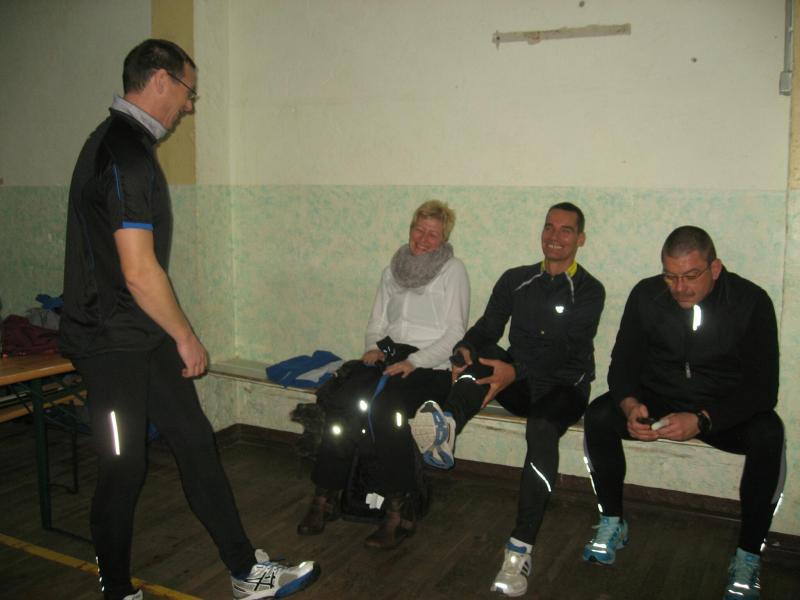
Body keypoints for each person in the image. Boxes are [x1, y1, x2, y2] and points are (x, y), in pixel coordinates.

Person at [59, 39, 318, 600]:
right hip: (109, 344)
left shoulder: (125, 145)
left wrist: (167, 332)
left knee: (196, 443)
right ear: (160, 79)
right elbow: (139, 271)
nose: (190, 105)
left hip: (140, 332)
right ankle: (117, 590)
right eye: (188, 91)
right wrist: (186, 336)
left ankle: (245, 572)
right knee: (123, 468)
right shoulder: (123, 153)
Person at [410, 202, 605, 596]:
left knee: (541, 428)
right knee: (479, 356)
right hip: (519, 381)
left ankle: (520, 549)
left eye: (566, 230)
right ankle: (448, 424)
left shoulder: (589, 290)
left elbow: (567, 350)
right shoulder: (516, 279)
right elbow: (488, 327)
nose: (554, 236)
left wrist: (514, 370)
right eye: (549, 227)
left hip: (565, 387)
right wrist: (465, 348)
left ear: (580, 239)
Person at [581, 226, 786, 600]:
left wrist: (704, 419)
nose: (680, 288)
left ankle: (748, 554)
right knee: (598, 416)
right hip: (659, 400)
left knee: (769, 433)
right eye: (670, 276)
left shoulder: (751, 301)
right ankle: (611, 520)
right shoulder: (646, 295)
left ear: (715, 268)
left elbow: (763, 389)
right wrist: (630, 405)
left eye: (691, 276)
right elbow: (622, 365)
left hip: (721, 410)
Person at [296, 199, 470, 550]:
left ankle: (398, 511)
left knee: (386, 409)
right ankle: (325, 496)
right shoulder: (393, 269)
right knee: (343, 402)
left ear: (444, 238)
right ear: (410, 228)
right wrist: (373, 347)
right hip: (389, 357)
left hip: (430, 365)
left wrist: (415, 361)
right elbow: (377, 321)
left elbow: (455, 333)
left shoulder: (453, 270)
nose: (423, 239)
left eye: (433, 234)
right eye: (419, 229)